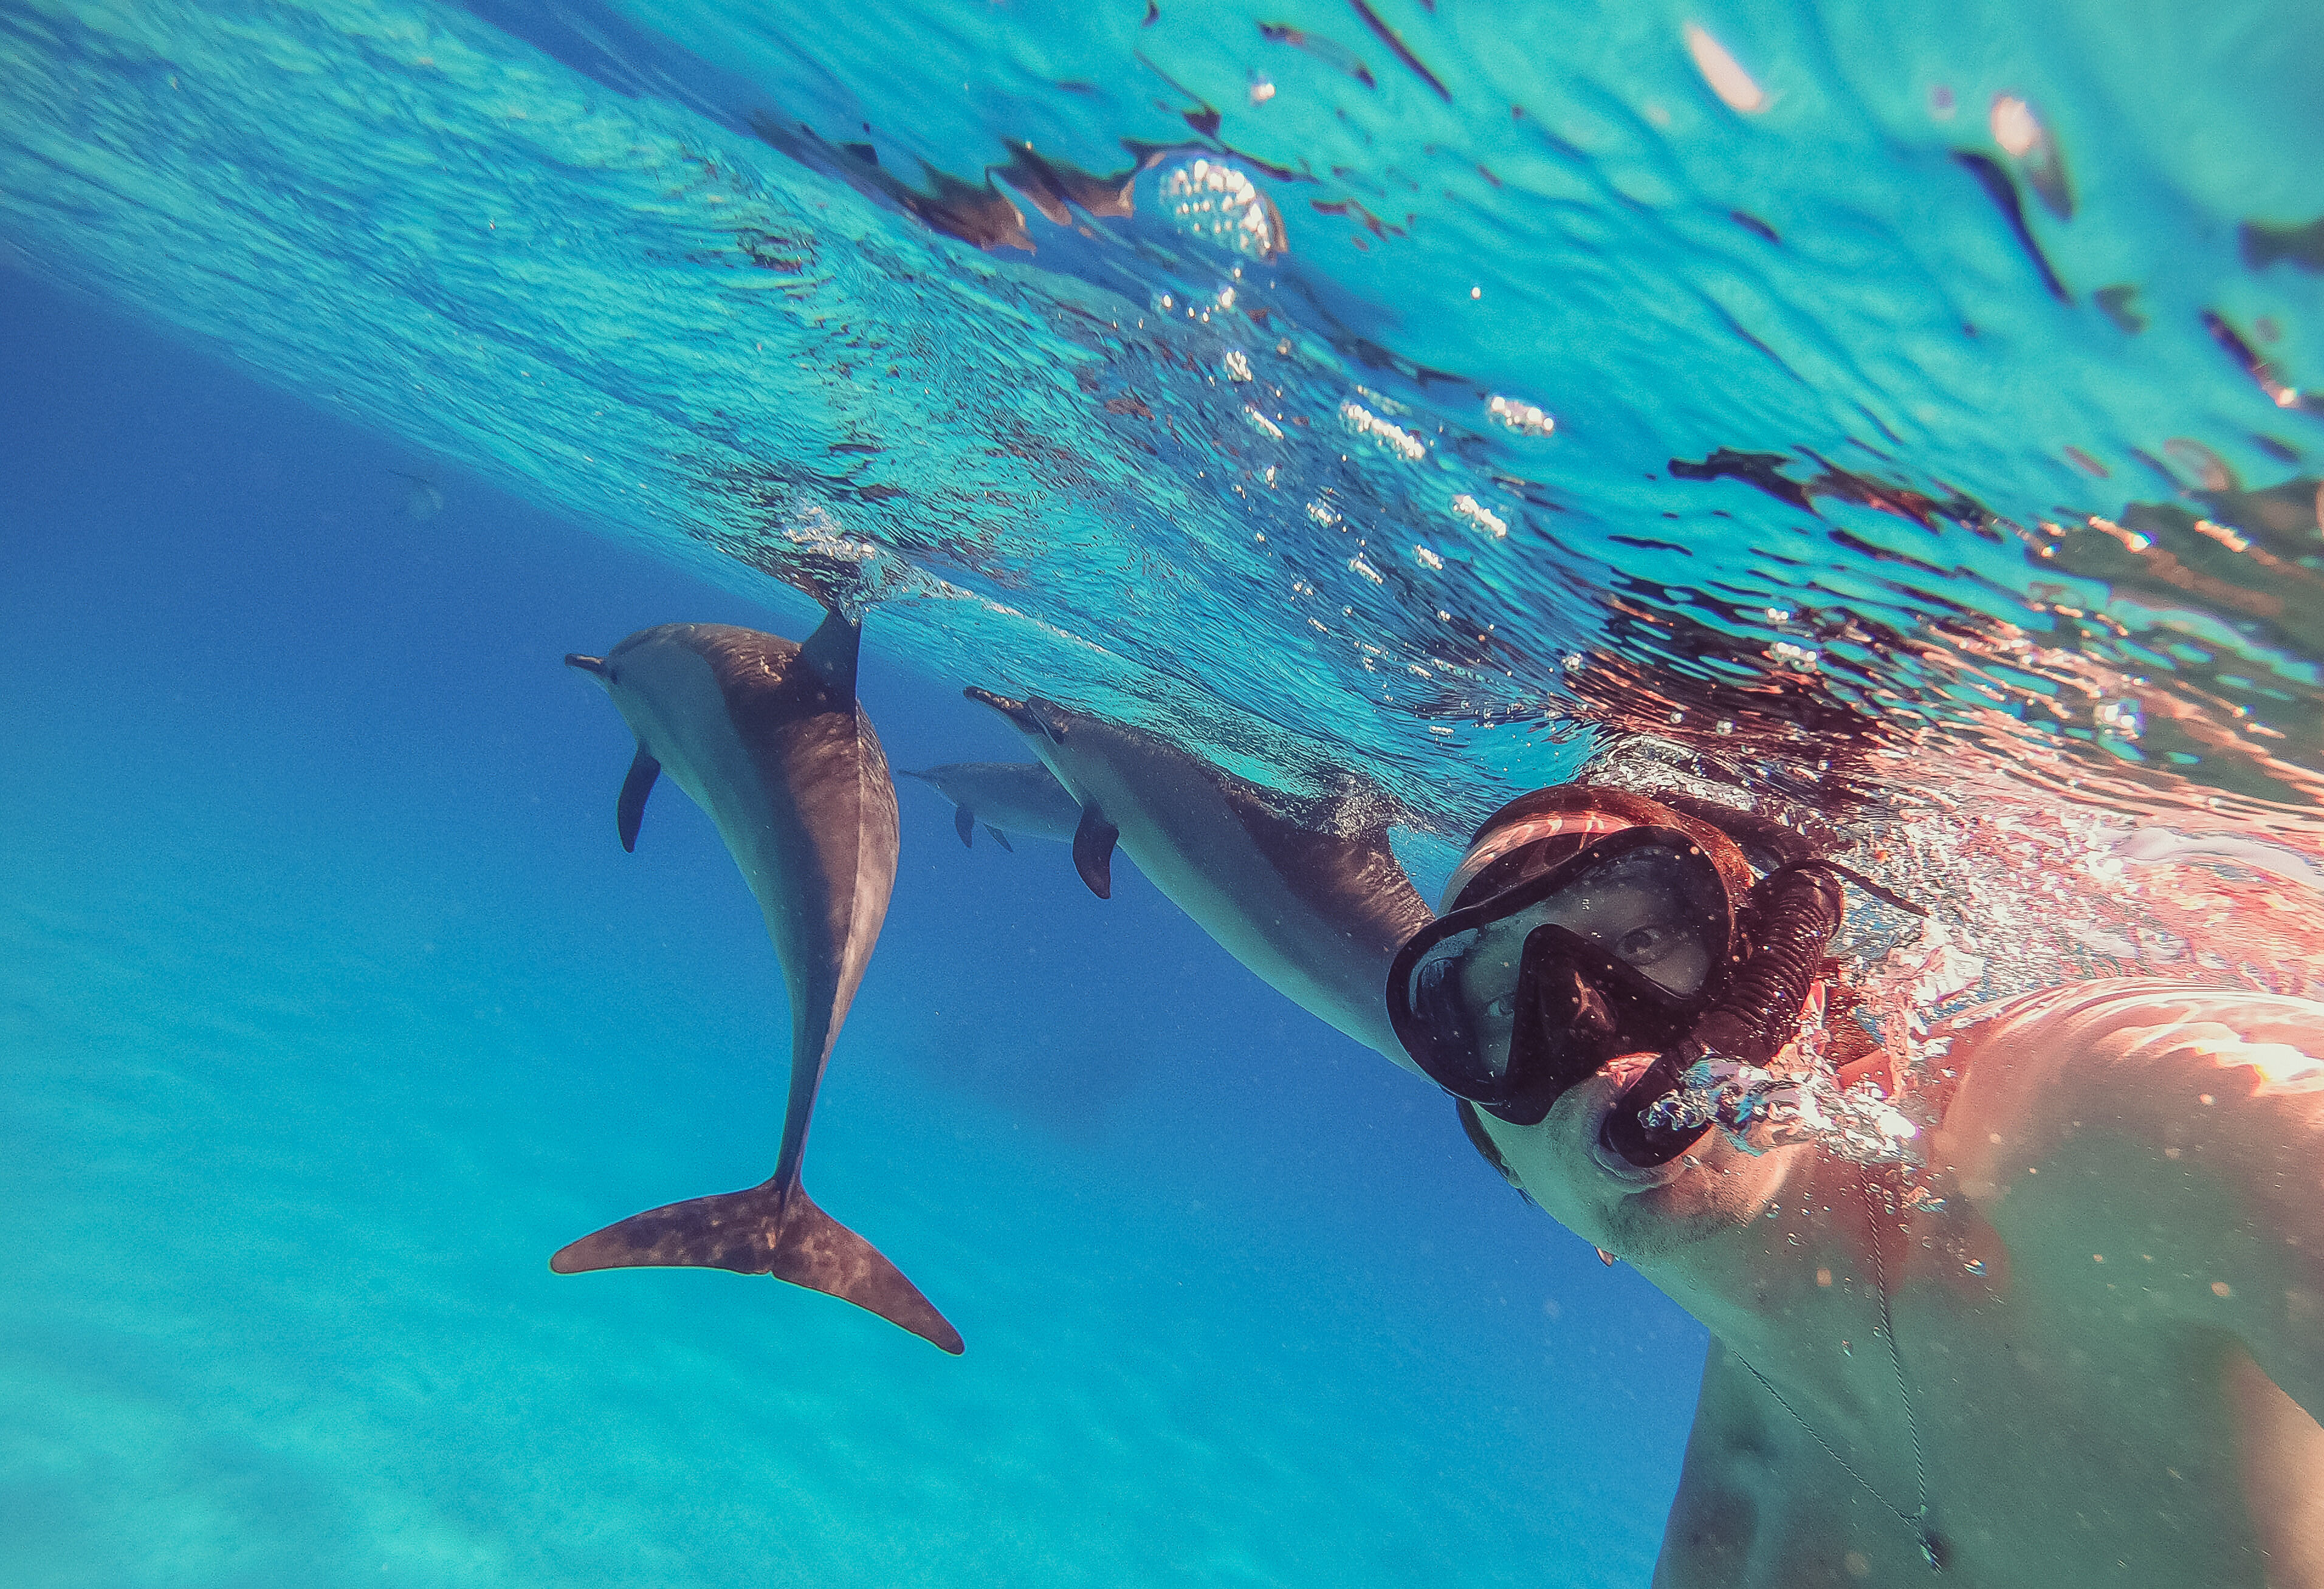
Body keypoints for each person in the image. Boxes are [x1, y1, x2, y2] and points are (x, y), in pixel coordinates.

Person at [1382, 783, 2324, 1586]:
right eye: (1505, 1008)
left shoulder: (2105, 1126)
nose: (1597, 1038)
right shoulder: (1740, 1546)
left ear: (1802, 990)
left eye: (1646, 941)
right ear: (1506, 1163)